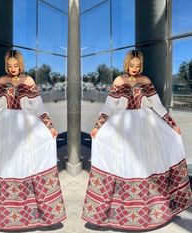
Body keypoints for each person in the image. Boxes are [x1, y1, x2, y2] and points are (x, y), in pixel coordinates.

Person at [0, 50, 66, 230]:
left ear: (20, 64)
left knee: (22, 166)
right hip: (2, 126)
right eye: (9, 66)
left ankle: (27, 213)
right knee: (2, 166)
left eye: (15, 65)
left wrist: (50, 126)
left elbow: (38, 107)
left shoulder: (29, 81)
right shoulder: (1, 81)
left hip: (25, 127)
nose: (12, 69)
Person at [82, 50, 192, 230]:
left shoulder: (146, 81)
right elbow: (109, 107)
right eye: (132, 65)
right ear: (126, 64)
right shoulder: (119, 81)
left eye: (138, 65)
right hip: (122, 126)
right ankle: (120, 213)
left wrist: (172, 125)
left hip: (144, 125)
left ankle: (152, 212)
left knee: (144, 166)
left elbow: (157, 105)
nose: (135, 68)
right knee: (125, 166)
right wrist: (97, 126)